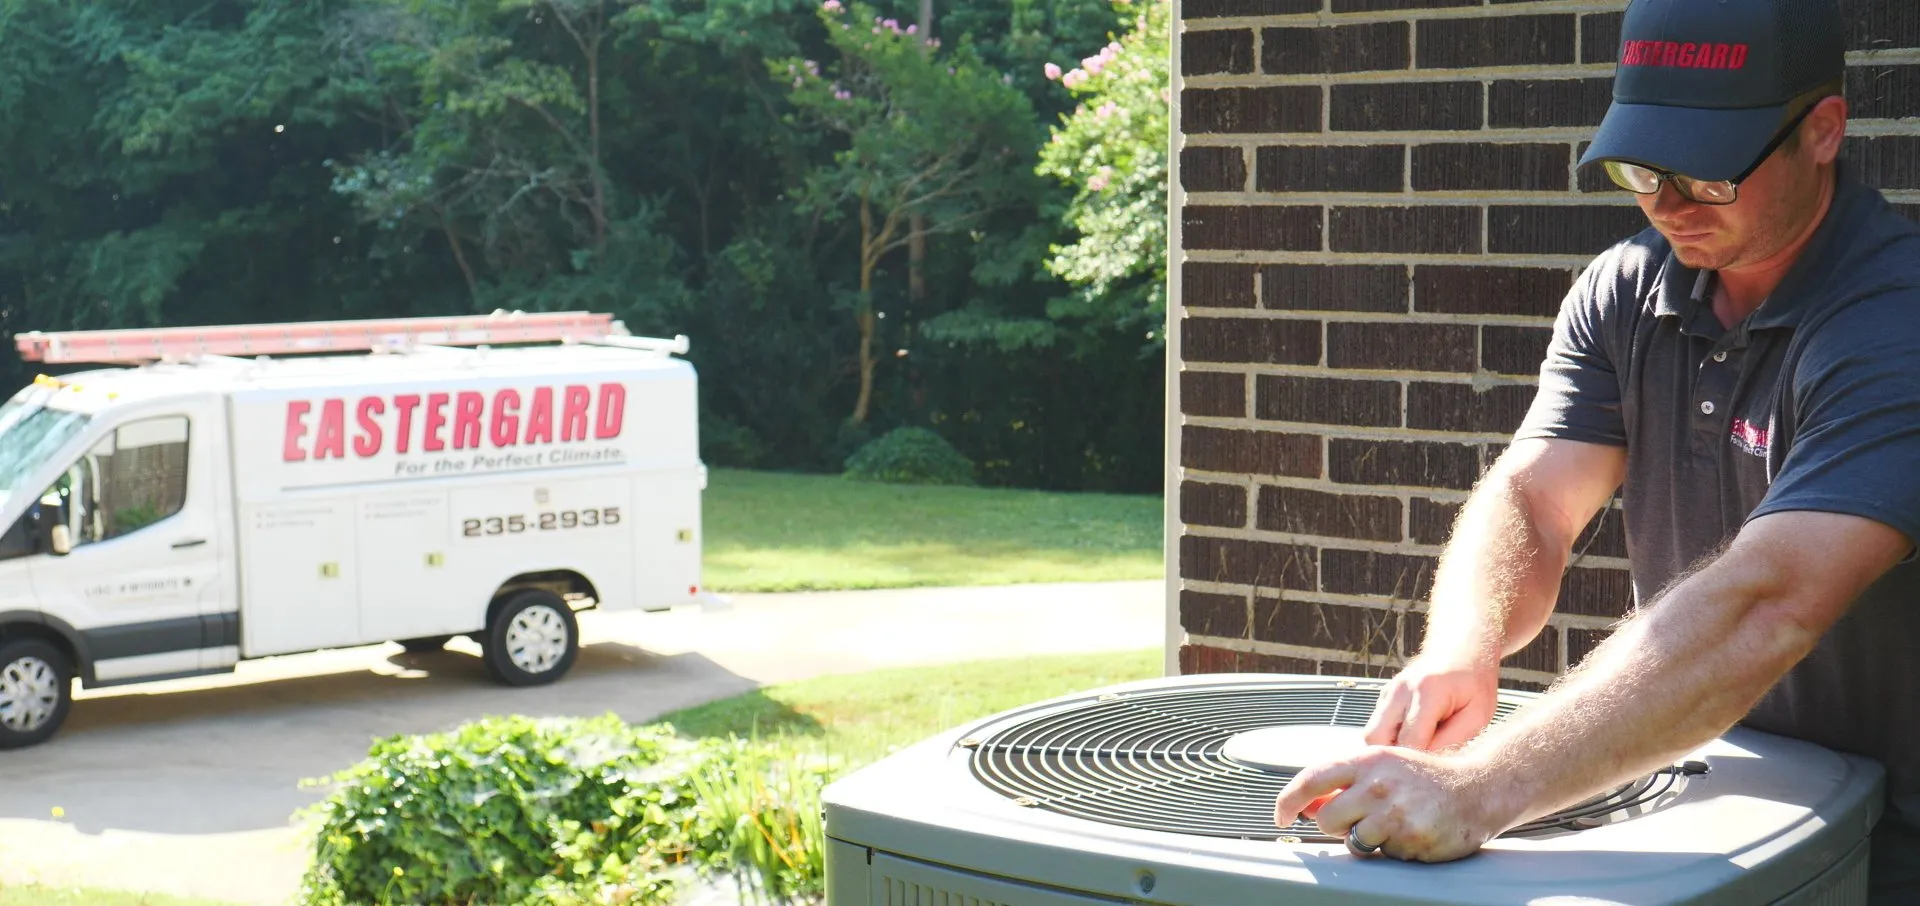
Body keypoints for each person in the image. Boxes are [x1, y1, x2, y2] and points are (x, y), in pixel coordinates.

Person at [1268, 0, 1920, 901]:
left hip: (1888, 845)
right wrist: (1464, 647)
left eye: (1710, 175)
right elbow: (1534, 500)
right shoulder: (1629, 287)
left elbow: (1772, 603)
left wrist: (1479, 786)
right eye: (1641, 167)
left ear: (1823, 131)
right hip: (1712, 796)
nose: (1668, 204)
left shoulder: (1895, 320)